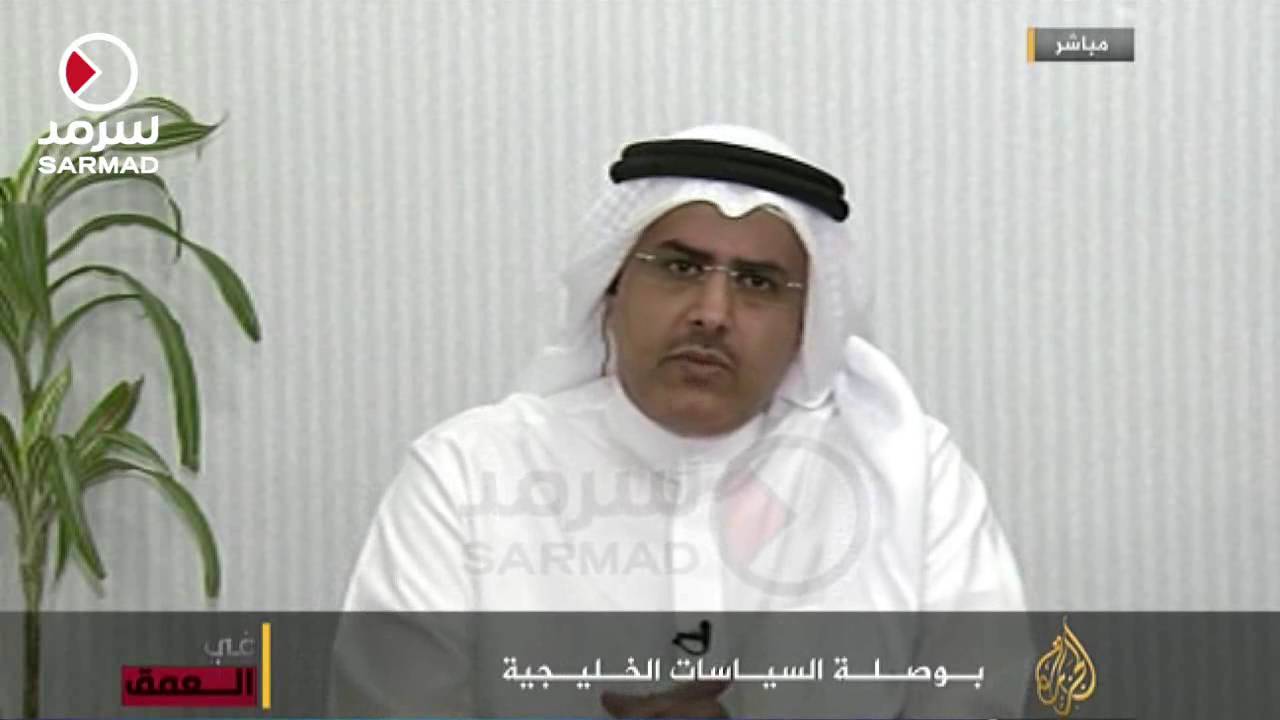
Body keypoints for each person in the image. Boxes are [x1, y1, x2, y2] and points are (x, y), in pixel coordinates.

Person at [333, 125, 1027, 718]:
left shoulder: (913, 478)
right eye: (678, 267)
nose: (712, 313)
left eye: (757, 283)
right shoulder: (466, 476)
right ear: (612, 291)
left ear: (807, 324)